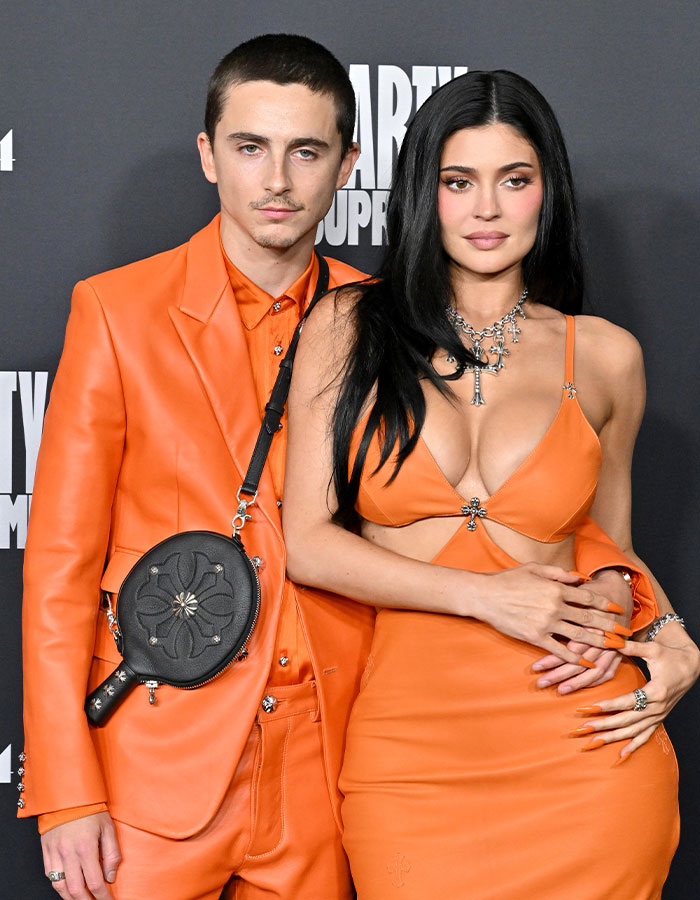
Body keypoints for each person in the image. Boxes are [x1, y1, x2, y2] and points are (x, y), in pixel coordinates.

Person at [283, 70, 700, 899]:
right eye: (458, 181)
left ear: (548, 193)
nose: (486, 210)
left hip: (585, 751)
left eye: (515, 181)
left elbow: (611, 553)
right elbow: (307, 543)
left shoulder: (605, 355)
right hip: (412, 758)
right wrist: (482, 597)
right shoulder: (345, 327)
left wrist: (674, 635)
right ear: (422, 193)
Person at [19, 34, 376, 900]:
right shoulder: (116, 310)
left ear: (348, 164)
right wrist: (68, 791)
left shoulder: (384, 321)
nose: (278, 180)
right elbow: (60, 566)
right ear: (209, 156)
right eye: (251, 148)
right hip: (156, 766)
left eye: (306, 151)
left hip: (326, 775)